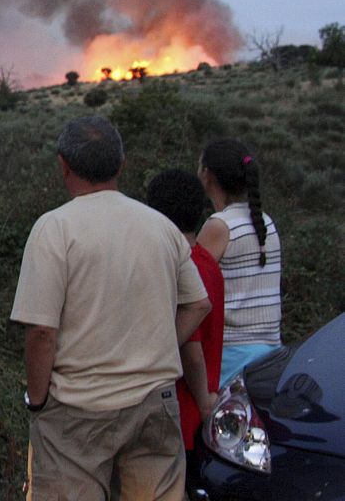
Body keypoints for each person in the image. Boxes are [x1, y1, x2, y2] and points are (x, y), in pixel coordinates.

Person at [11, 115, 211, 501]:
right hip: (154, 403)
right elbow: (198, 304)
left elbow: (41, 332)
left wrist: (37, 402)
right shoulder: (161, 226)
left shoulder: (54, 229)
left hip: (77, 410)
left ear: (63, 165)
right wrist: (158, 347)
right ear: (121, 164)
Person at [147, 168, 225, 492]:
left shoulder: (180, 267)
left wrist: (204, 401)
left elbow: (191, 350)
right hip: (198, 409)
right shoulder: (208, 262)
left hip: (183, 409)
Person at [197, 138, 282, 386]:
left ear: (207, 175)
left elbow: (191, 283)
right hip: (272, 352)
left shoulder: (219, 226)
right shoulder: (265, 221)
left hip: (232, 355)